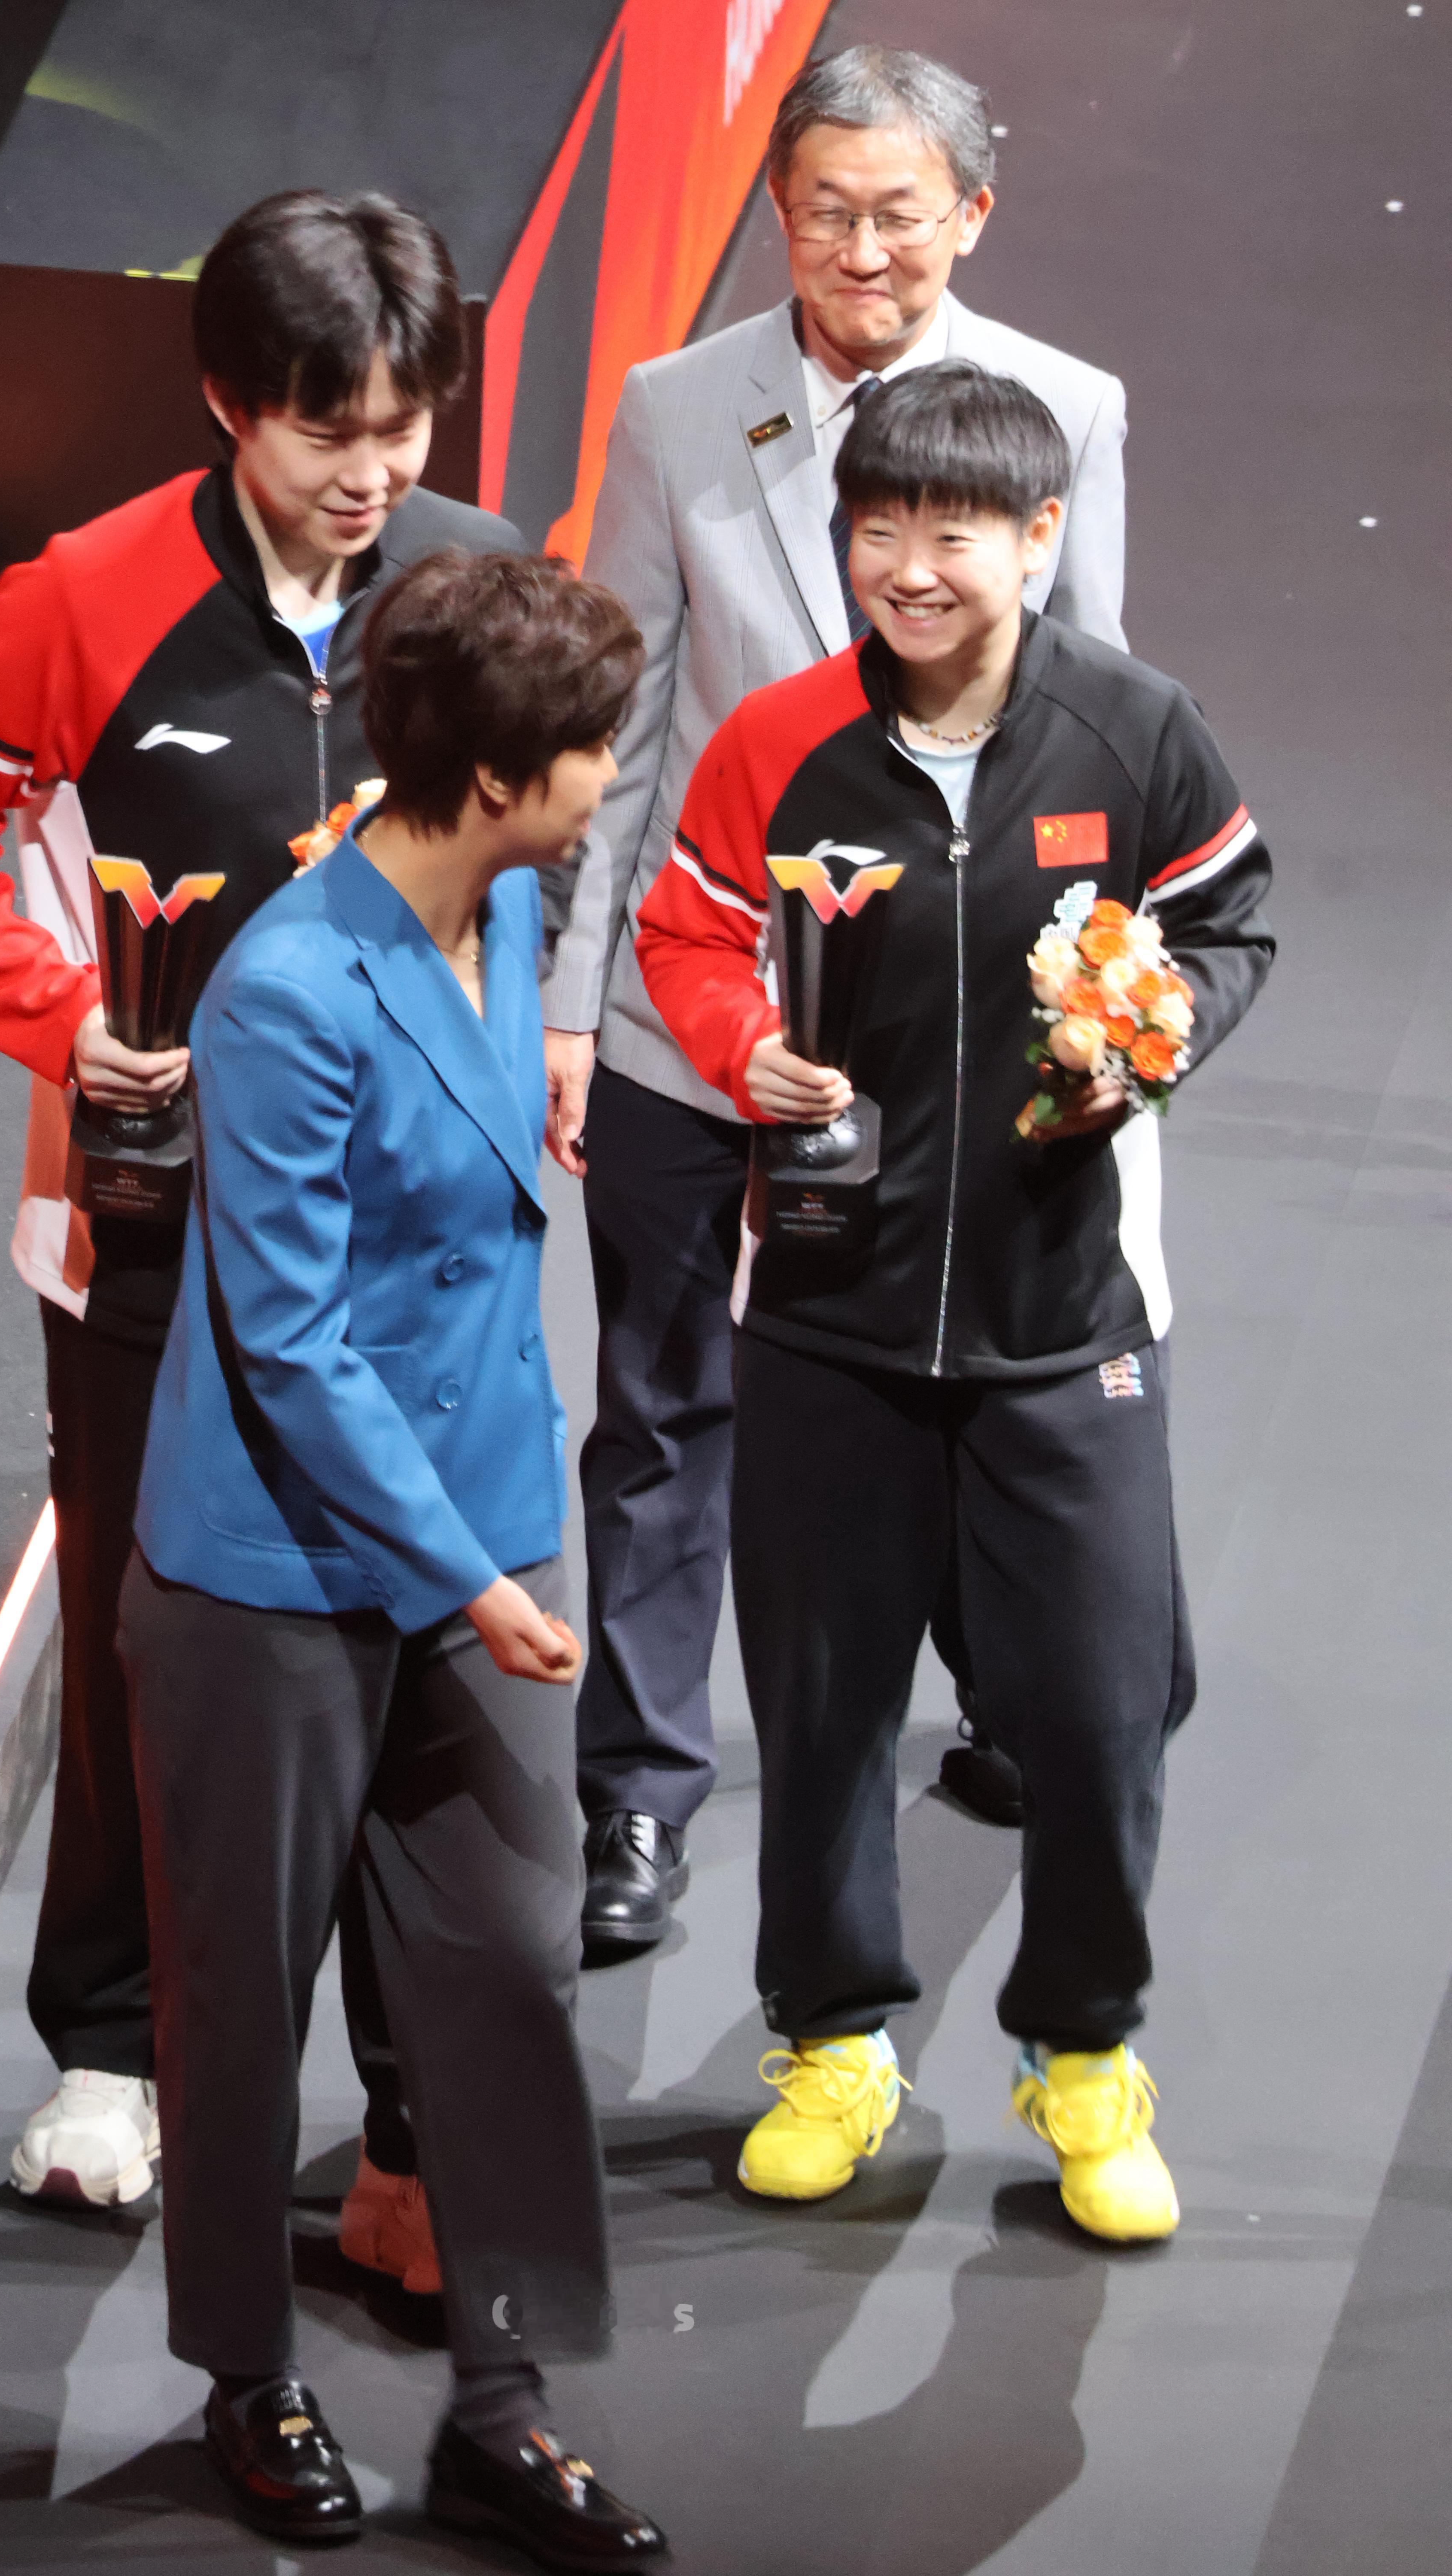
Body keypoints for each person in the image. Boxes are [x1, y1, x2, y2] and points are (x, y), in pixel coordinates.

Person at [0, 190, 525, 2261]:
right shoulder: (87, 595)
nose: (373, 472)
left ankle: (411, 2113)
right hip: (148, 1231)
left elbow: (549, 847)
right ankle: (112, 2053)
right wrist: (67, 1021)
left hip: (407, 1251)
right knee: (143, 1644)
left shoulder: (477, 585)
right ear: (230, 400)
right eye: (330, 429)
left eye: (403, 426)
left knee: (419, 1656)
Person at [632, 361, 1273, 2236]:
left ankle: (1084, 2057)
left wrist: (1152, 1040)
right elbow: (685, 924)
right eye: (878, 529)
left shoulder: (1137, 732)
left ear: (1040, 537)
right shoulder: (777, 743)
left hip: (1070, 1327)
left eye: (955, 533)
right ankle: (832, 2044)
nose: (910, 568)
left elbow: (1229, 920)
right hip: (827, 1320)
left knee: (1095, 1716)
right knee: (822, 1714)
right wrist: (740, 1044)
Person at [543, 43, 1133, 1950]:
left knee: (940, 1384)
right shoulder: (675, 407)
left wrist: (1084, 1013)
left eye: (899, 216)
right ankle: (639, 1801)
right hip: (690, 1010)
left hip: (942, 1038)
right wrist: (571, 998)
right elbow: (624, 721)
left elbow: (1093, 723)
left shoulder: (1067, 409)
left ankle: (1003, 1697)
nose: (861, 253)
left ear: (973, 213)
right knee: (660, 1408)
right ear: (778, 214)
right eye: (823, 213)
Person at [118, 550, 665, 2566]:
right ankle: (246, 2375)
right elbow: (290, 1343)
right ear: (502, 775)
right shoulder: (286, 988)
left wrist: (496, 1555)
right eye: (591, 746)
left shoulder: (506, 902)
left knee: (511, 1968)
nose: (608, 773)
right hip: (271, 1575)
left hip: (482, 1524)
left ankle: (504, 2410)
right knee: (240, 1997)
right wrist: (468, 1584)